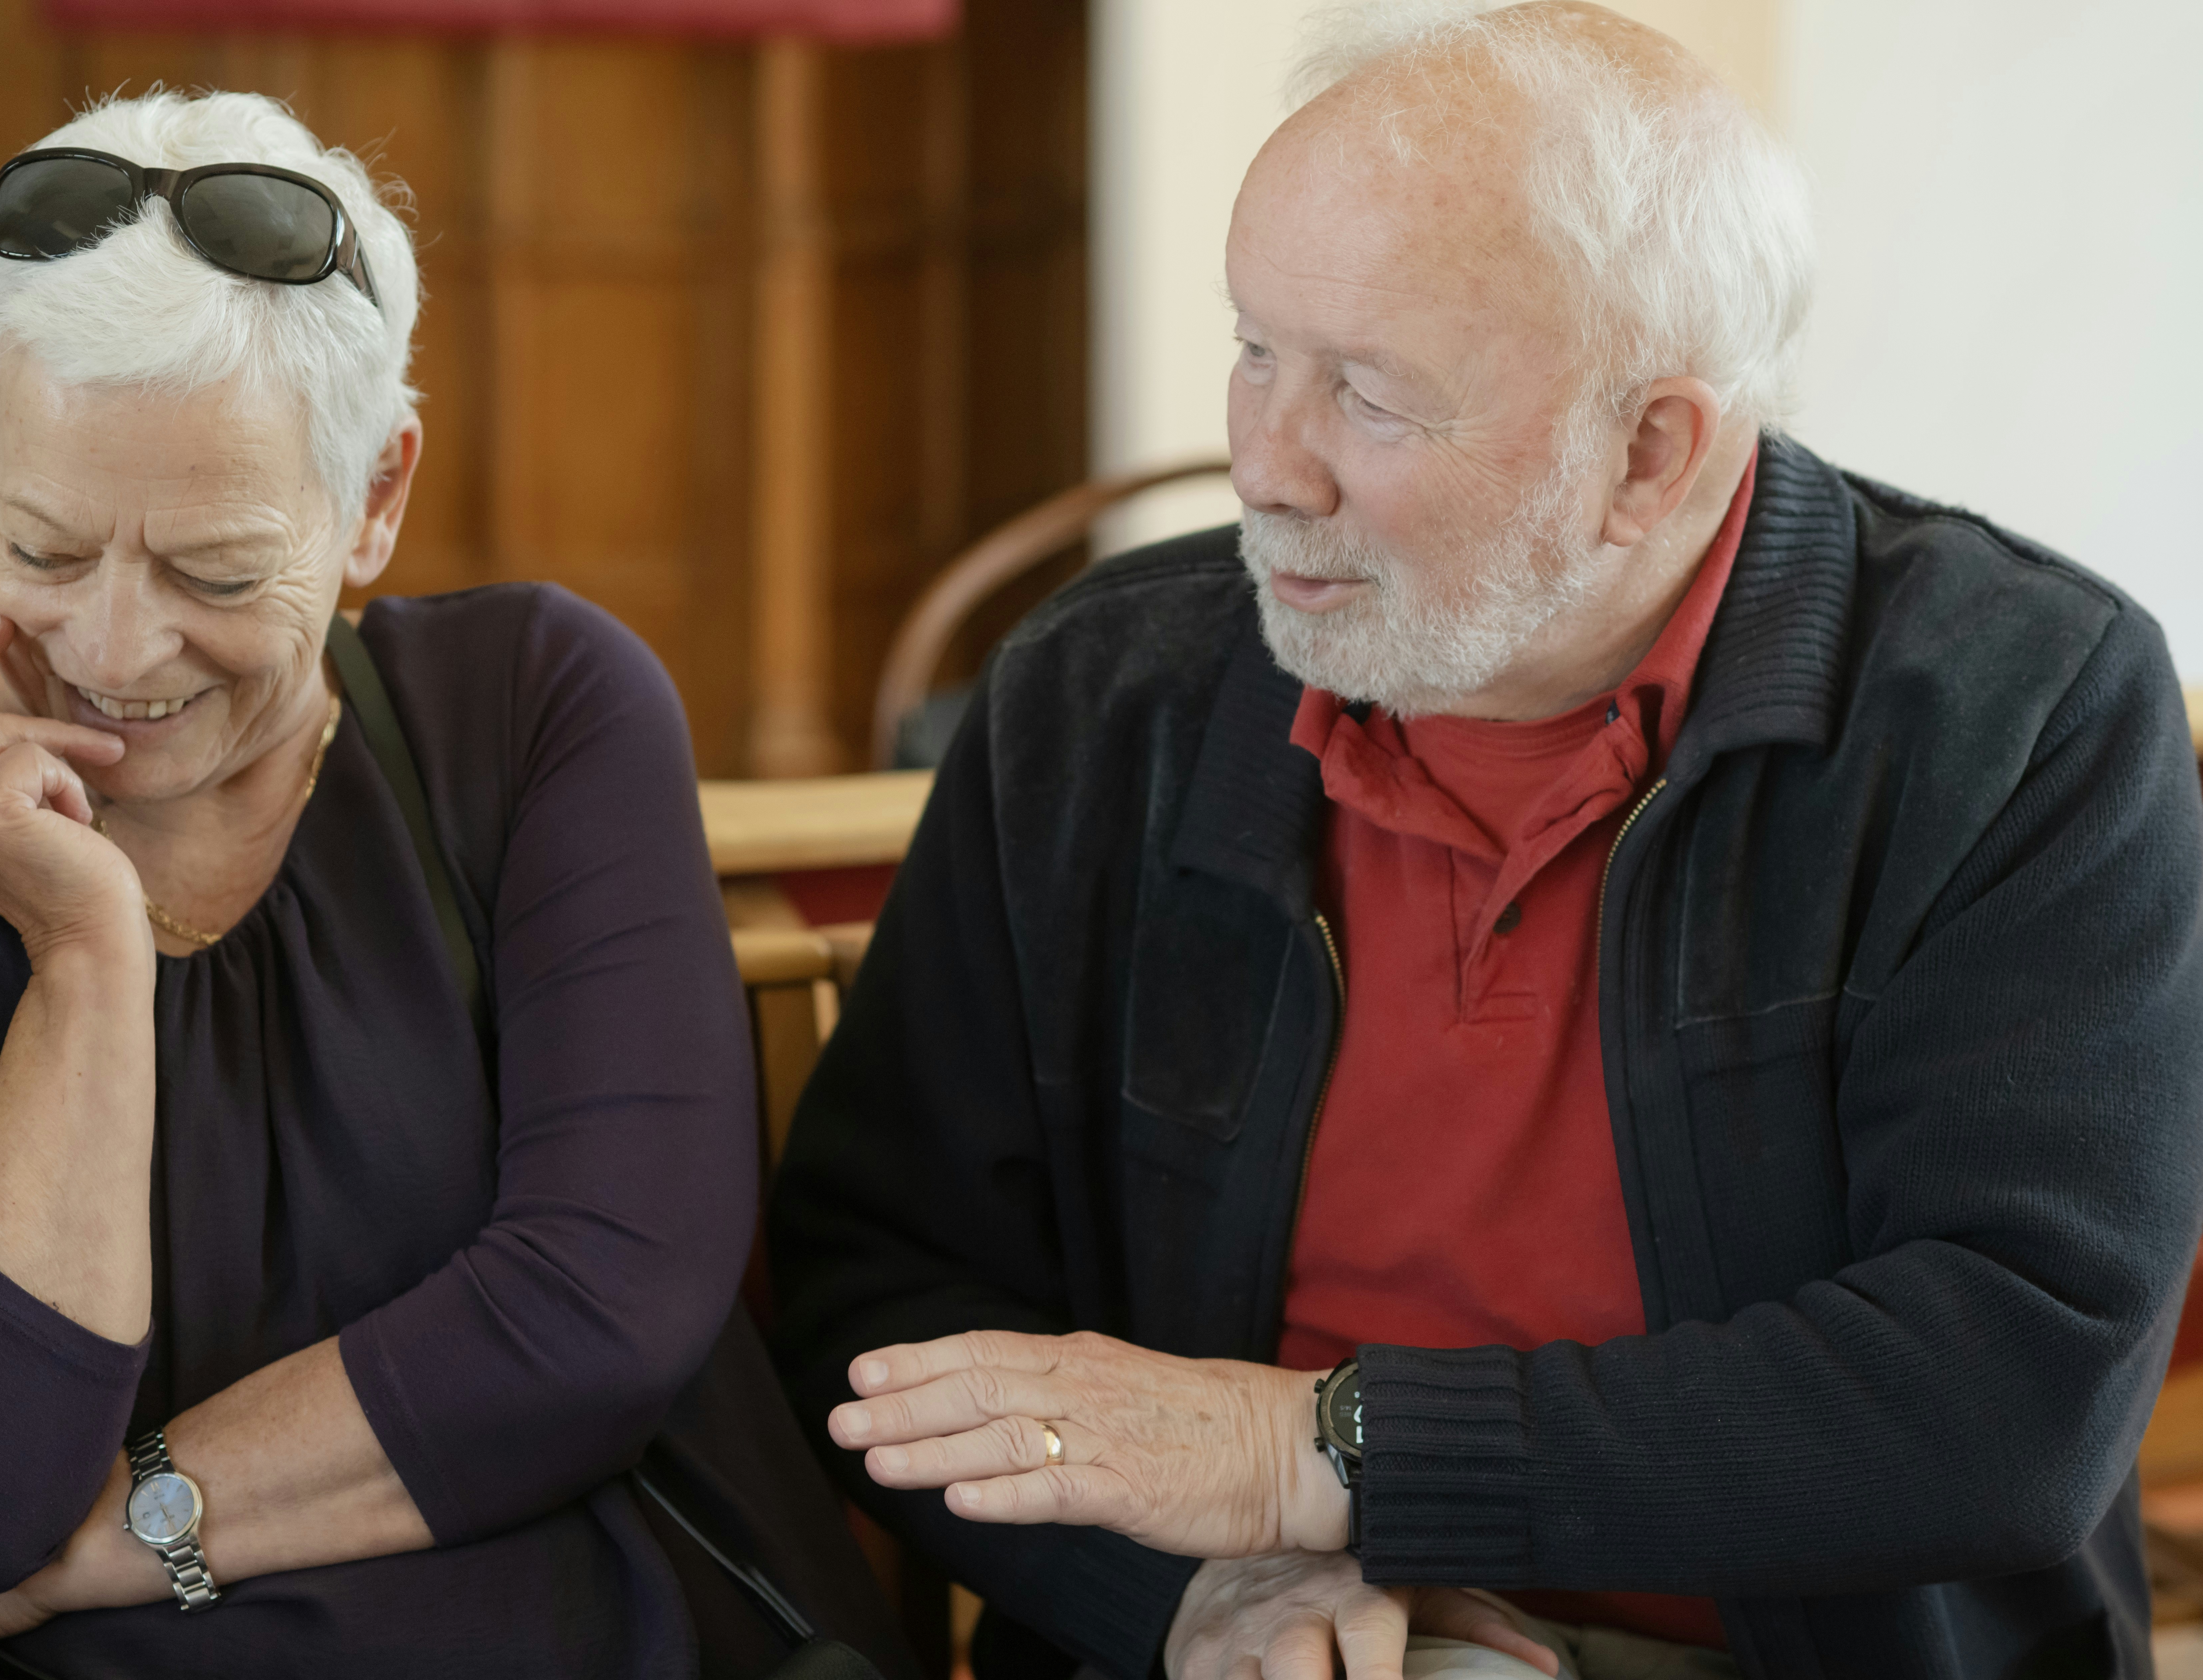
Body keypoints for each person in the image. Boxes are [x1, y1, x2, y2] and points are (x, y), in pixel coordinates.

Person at [766, 3, 2203, 1678]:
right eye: (1253, 348)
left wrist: (1317, 1449)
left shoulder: (2019, 710)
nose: (1262, 462)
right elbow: (880, 1277)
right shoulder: (1100, 699)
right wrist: (1188, 1594)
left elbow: (2011, 1386)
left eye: (1370, 396)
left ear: (1649, 454)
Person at [0, 91, 891, 1680]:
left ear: (378, 498)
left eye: (213, 569)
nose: (117, 653)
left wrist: (123, 1536)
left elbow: (595, 1319)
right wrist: (83, 954)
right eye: (43, 548)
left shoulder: (537, 706)